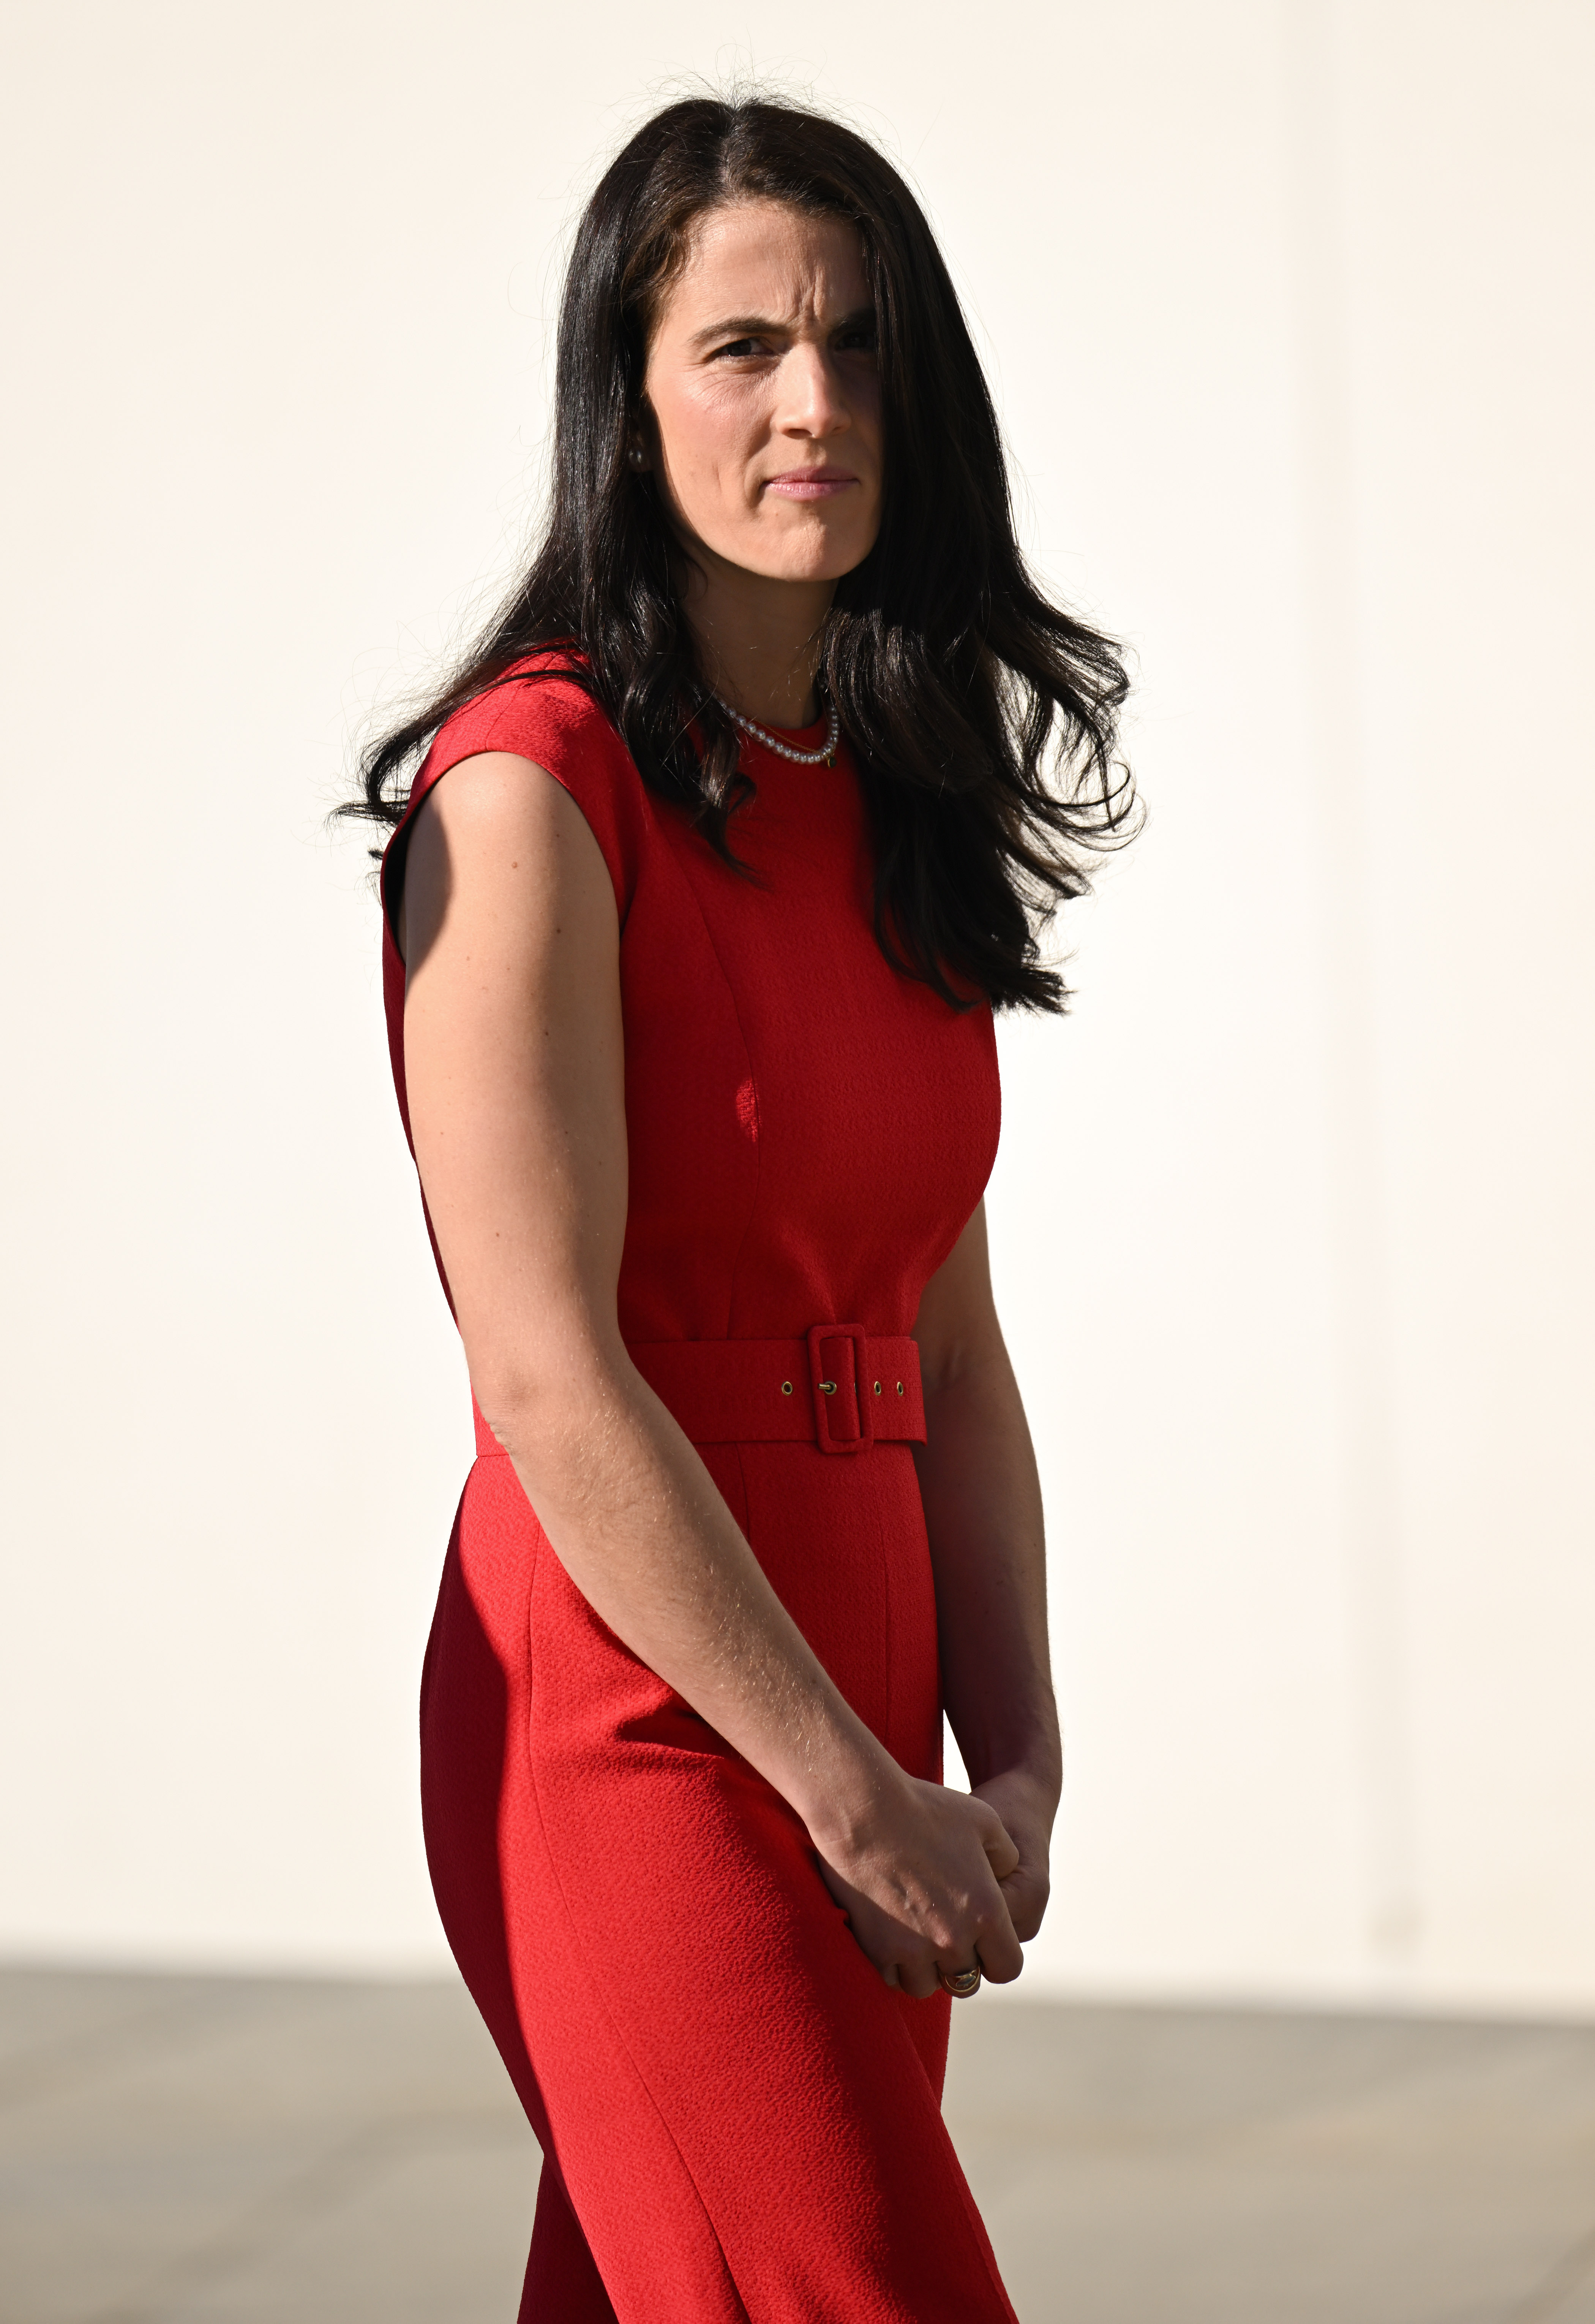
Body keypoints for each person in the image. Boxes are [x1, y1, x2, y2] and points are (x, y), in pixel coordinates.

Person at [346, 92, 1130, 2324]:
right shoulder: (526, 791)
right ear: (627, 386)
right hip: (636, 1706)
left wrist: (1016, 1752)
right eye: (746, 347)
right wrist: (844, 1786)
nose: (818, 401)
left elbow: (946, 1346)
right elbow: (542, 1367)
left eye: (866, 346)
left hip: (871, 1677)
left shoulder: (888, 798)